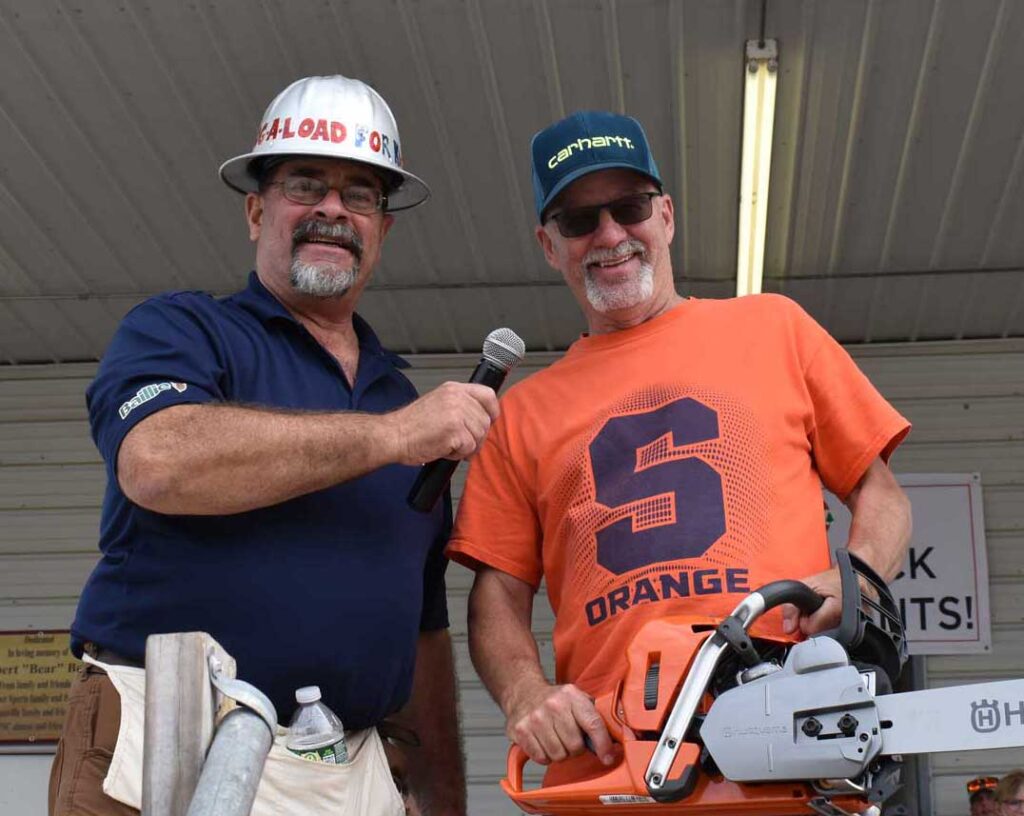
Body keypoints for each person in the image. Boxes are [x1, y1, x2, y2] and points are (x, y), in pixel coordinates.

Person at [49, 75, 495, 816]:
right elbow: (157, 463)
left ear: (383, 228)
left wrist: (440, 793)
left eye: (359, 195)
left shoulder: (401, 397)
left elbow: (419, 627)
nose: (332, 209)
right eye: (305, 184)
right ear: (257, 211)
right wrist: (390, 439)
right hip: (162, 747)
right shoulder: (183, 331)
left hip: (346, 769)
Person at [447, 110, 912, 782]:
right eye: (579, 220)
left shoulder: (773, 327)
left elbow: (881, 494)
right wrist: (527, 693)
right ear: (549, 246)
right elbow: (497, 592)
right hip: (611, 763)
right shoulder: (520, 413)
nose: (609, 234)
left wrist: (854, 581)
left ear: (665, 216)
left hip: (789, 734)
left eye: (629, 207)